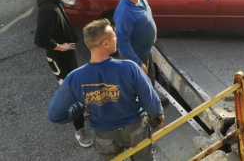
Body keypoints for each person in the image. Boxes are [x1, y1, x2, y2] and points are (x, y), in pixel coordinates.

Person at [48, 19, 164, 161]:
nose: (116, 38)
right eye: (114, 36)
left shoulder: (74, 78)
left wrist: (81, 107)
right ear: (106, 43)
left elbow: (55, 115)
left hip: (104, 135)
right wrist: (158, 114)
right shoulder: (130, 68)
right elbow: (150, 100)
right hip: (135, 129)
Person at [34, 0, 94, 147]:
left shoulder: (53, 0)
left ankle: (82, 109)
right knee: (71, 92)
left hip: (67, 56)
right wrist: (61, 46)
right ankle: (80, 129)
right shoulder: (48, 9)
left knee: (77, 85)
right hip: (59, 58)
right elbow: (40, 40)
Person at [114, 0, 169, 106]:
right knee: (135, 85)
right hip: (135, 57)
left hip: (146, 51)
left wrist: (152, 38)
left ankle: (151, 99)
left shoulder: (141, 0)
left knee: (149, 77)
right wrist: (138, 63)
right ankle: (143, 113)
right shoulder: (125, 12)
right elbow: (122, 43)